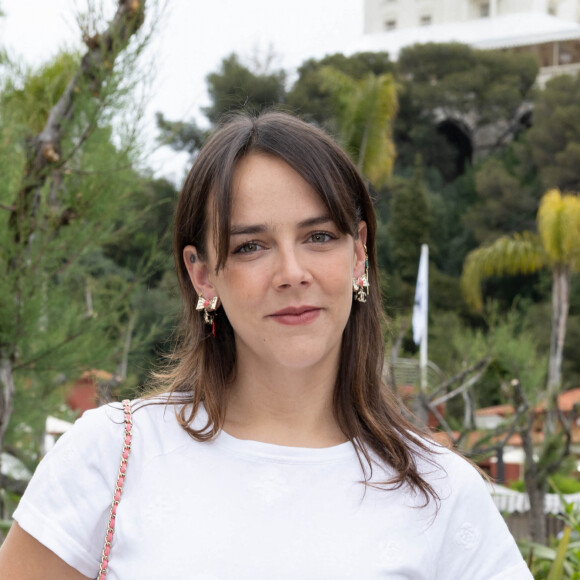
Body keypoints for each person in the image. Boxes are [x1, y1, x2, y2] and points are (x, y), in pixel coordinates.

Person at [0, 111, 531, 579]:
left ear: (359, 254)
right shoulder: (113, 453)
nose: (291, 273)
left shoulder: (440, 491)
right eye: (251, 246)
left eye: (318, 236)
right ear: (203, 274)